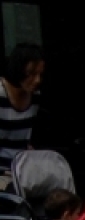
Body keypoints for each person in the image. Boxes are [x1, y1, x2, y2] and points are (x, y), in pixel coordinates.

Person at [0, 43, 44, 175]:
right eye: (31, 73)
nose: (37, 80)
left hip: (22, 170)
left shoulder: (35, 97)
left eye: (40, 74)